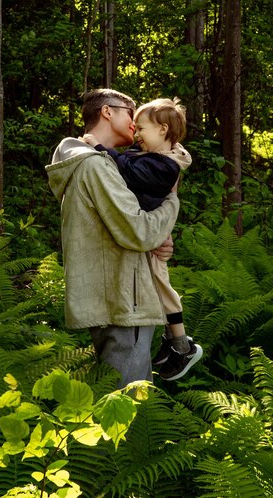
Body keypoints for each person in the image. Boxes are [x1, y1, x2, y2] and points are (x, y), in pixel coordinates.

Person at [46, 89, 180, 387]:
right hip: (122, 299)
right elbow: (140, 231)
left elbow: (126, 226)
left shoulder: (100, 164)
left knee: (125, 395)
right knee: (123, 401)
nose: (135, 123)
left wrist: (161, 240)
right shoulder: (95, 165)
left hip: (118, 294)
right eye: (130, 113)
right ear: (107, 112)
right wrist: (172, 203)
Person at [82, 97, 202, 381]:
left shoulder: (164, 166)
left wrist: (100, 148)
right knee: (159, 288)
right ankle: (173, 342)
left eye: (143, 128)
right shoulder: (150, 153)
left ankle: (181, 345)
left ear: (162, 130)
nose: (136, 133)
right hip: (147, 240)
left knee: (161, 288)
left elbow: (129, 170)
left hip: (150, 242)